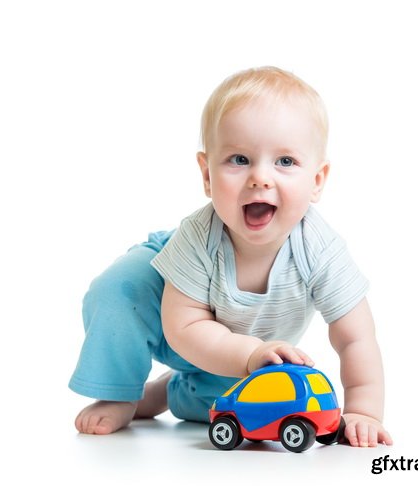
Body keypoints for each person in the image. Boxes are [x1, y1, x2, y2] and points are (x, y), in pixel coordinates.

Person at [70, 66, 393, 447]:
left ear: (317, 181)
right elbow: (185, 328)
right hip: (172, 308)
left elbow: (355, 337)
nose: (260, 177)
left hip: (244, 346)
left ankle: (164, 393)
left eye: (285, 162)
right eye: (239, 159)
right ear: (207, 175)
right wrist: (249, 352)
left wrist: (363, 410)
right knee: (119, 290)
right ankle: (120, 391)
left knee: (227, 406)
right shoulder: (198, 237)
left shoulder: (319, 249)